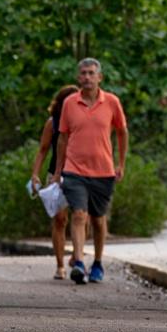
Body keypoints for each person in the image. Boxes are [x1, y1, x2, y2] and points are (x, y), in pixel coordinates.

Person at [53, 57, 128, 285]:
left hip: (103, 171)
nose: (87, 77)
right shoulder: (69, 103)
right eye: (83, 73)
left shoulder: (112, 102)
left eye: (91, 73)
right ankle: (78, 262)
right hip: (74, 170)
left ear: (99, 77)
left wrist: (121, 163)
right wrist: (58, 172)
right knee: (78, 214)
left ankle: (97, 262)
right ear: (78, 77)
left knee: (98, 220)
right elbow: (62, 138)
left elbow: (122, 132)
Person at [31, 85, 80, 280]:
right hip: (56, 174)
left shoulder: (84, 120)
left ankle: (77, 254)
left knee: (81, 217)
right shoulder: (52, 123)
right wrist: (35, 174)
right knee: (60, 219)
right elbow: (43, 150)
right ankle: (60, 265)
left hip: (80, 173)